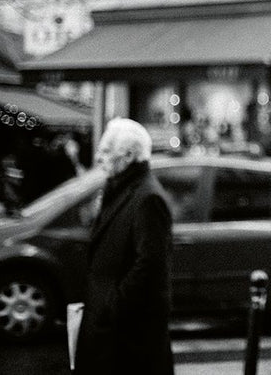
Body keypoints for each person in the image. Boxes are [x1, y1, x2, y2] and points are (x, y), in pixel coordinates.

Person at [75, 118, 174, 375]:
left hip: (127, 337)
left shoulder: (148, 198)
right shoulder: (122, 188)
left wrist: (114, 306)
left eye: (106, 151)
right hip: (111, 330)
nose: (98, 157)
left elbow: (150, 264)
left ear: (128, 156)